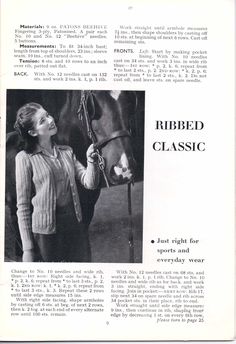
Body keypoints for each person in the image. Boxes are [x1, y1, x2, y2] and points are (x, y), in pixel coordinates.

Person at [14, 102, 100, 262]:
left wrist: (91, 161)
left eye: (47, 115)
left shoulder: (67, 152)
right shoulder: (24, 158)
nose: (50, 120)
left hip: (75, 228)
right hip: (46, 236)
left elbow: (90, 183)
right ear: (32, 132)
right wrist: (28, 249)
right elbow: (23, 207)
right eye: (42, 120)